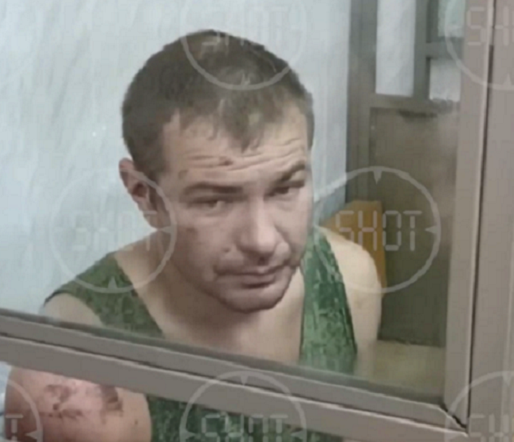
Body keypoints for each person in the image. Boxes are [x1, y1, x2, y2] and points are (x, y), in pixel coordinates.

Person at [5, 30, 383, 442]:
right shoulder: (76, 381)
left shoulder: (349, 280)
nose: (262, 240)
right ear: (144, 194)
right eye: (215, 201)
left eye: (285, 188)